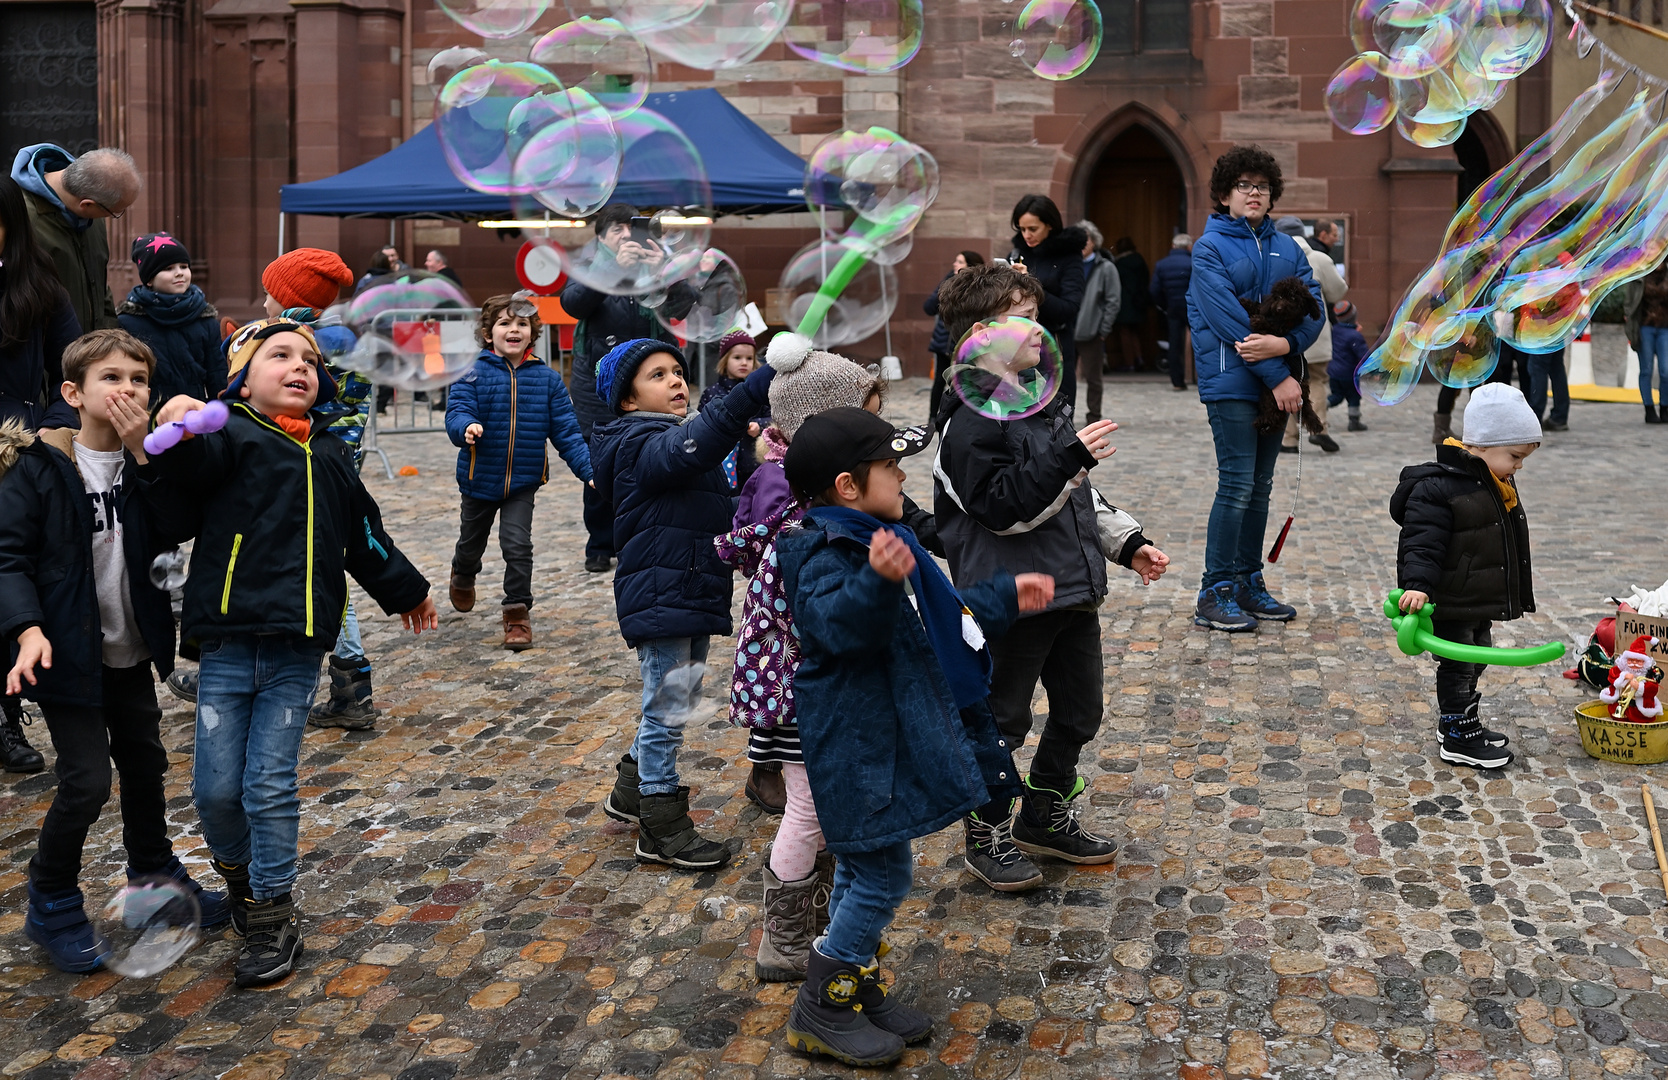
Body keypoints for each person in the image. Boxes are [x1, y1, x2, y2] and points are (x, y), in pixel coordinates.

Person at [150, 315, 437, 988]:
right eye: (279, 355)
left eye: (309, 359)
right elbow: (183, 470)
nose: (300, 366)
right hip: (226, 642)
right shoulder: (230, 439)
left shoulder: (333, 457)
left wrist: (407, 590)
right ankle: (241, 881)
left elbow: (364, 537)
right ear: (241, 381)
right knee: (216, 791)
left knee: (268, 785)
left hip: (297, 651)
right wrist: (184, 420)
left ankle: (273, 911)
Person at [775, 407, 1053, 1068]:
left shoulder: (880, 537)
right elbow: (837, 628)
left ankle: (858, 987)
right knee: (882, 873)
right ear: (848, 485)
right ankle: (823, 1004)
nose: (902, 476)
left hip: (886, 736)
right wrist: (876, 577)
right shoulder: (822, 547)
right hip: (858, 744)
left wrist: (1003, 597)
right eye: (890, 466)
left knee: (866, 865)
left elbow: (938, 620)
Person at [0, 329, 229, 973]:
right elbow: (8, 557)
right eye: (111, 377)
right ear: (73, 393)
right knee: (87, 781)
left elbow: (179, 523)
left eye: (137, 379)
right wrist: (26, 628)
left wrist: (146, 453)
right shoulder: (39, 470)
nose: (126, 388)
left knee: (146, 764)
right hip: (67, 654)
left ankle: (155, 879)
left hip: (130, 647)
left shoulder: (143, 465)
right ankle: (50, 897)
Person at [935, 263, 1169, 890]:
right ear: (982, 335)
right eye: (1025, 317)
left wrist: (1128, 544)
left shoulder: (1040, 402)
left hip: (1070, 589)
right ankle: (985, 831)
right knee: (1002, 720)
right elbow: (1002, 510)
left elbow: (1079, 496)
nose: (1041, 328)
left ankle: (1042, 813)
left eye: (1037, 315)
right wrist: (1069, 461)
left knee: (1079, 713)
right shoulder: (968, 420)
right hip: (1012, 598)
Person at [714, 331, 887, 973]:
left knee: (820, 806)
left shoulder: (797, 494)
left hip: (801, 686)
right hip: (796, 692)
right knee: (807, 810)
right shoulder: (798, 518)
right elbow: (815, 615)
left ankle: (817, 917)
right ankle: (782, 935)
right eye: (865, 418)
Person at [593, 338, 773, 870]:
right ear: (627, 400)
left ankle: (631, 791)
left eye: (677, 371)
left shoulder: (667, 435)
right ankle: (660, 824)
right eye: (658, 376)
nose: (675, 381)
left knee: (676, 696)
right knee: (666, 709)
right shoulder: (639, 441)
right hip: (661, 591)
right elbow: (691, 446)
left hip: (689, 585)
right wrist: (749, 389)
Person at [1186, 145, 1323, 633]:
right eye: (1243, 185)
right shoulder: (1208, 248)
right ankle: (1214, 589)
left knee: (1260, 488)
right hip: (1232, 383)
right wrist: (1281, 374)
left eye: (1261, 186)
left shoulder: (1289, 248)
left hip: (1276, 389)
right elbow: (1229, 323)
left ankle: (1246, 581)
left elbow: (1315, 311)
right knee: (1237, 485)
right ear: (1224, 194)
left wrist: (1286, 344)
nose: (1254, 193)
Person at [257, 248, 378, 729]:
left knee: (314, 568)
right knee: (323, 565)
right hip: (335, 469)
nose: (263, 300)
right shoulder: (341, 341)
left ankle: (348, 688)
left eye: (269, 291)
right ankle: (352, 686)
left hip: (299, 472)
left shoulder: (294, 343)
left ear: (287, 297)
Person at [1391, 382, 1541, 771]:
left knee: (1477, 659)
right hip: (1451, 598)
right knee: (1458, 664)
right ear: (1483, 446)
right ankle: (1457, 733)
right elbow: (1422, 543)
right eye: (1515, 456)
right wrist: (1418, 587)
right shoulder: (1439, 489)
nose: (1519, 466)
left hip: (1476, 597)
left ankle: (1457, 721)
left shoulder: (1493, 481)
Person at [445, 294, 592, 650]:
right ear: (488, 332)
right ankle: (464, 572)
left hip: (523, 482)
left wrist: (589, 470)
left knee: (518, 544)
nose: (514, 329)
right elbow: (457, 410)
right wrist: (465, 427)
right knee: (471, 542)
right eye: (504, 323)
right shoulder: (471, 371)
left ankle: (516, 612)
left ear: (532, 333)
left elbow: (568, 433)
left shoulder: (548, 380)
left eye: (522, 324)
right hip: (479, 479)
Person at [561, 204, 698, 573]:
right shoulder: (591, 267)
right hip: (599, 385)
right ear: (601, 237)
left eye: (633, 228)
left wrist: (665, 273)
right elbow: (573, 303)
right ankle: (600, 543)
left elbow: (684, 308)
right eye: (618, 230)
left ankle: (640, 537)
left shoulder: (655, 264)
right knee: (602, 461)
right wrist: (613, 268)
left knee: (652, 455)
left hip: (651, 382)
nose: (627, 236)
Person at [0, 174, 80, 772]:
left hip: (19, 457)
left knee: (15, 577)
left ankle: (8, 718)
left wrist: (49, 431)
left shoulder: (40, 287)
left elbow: (71, 368)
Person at [10, 145, 141, 333]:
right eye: (116, 212)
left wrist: (108, 335)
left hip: (92, 352)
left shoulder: (92, 217)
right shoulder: (18, 218)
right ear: (86, 205)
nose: (112, 216)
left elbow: (99, 286)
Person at [117, 233, 226, 406]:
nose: (179, 274)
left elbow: (217, 374)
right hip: (150, 411)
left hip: (196, 411)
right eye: (168, 269)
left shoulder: (205, 320)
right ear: (149, 279)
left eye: (183, 266)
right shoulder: (128, 322)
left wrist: (220, 416)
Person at [1006, 195, 1084, 417]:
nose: (1027, 235)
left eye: (1033, 228)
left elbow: (1069, 308)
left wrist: (1030, 283)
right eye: (1021, 229)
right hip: (1015, 344)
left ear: (1049, 225)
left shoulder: (1069, 255)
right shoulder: (1018, 252)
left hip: (1052, 346)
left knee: (1055, 415)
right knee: (1018, 415)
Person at [1274, 217, 1347, 453]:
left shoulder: (1273, 258)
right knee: (1315, 379)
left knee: (1284, 379)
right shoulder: (1319, 258)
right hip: (1314, 331)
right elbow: (1338, 291)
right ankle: (1320, 429)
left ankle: (1289, 438)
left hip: (1280, 334)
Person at [697, 330, 768, 491]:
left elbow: (772, 419)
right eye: (737, 357)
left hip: (752, 462)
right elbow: (701, 423)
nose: (744, 363)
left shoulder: (759, 393)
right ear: (724, 360)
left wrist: (758, 425)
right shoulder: (712, 393)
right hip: (721, 463)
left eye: (749, 358)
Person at [923, 250, 984, 423]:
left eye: (960, 262)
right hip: (944, 343)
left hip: (966, 343)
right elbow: (928, 307)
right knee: (939, 382)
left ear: (970, 266)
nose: (955, 264)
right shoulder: (948, 282)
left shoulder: (979, 287)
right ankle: (933, 418)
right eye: (955, 261)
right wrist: (947, 285)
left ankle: (960, 417)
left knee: (964, 381)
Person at [1074, 221, 1120, 425]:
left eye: (1086, 239)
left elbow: (1113, 300)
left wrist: (1103, 329)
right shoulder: (1069, 264)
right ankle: (1062, 417)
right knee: (1062, 378)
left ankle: (1093, 417)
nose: (1082, 244)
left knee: (1093, 378)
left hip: (1091, 330)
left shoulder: (1105, 267)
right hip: (1066, 329)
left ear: (1094, 242)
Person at [1623, 263, 1668, 423]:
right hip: (1645, 327)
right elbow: (1629, 303)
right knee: (1646, 370)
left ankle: (1665, 407)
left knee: (1666, 371)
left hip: (1665, 328)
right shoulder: (1640, 274)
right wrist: (1629, 323)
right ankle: (1649, 409)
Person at [1150, 234, 1194, 391]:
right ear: (1189, 247)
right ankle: (1199, 378)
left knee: (1174, 345)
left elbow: (1154, 290)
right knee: (1200, 342)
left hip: (1173, 308)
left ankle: (1177, 382)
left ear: (1173, 246)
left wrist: (1165, 305)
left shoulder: (1162, 264)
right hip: (1192, 308)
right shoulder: (1193, 263)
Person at [1109, 238, 1151, 372]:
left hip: (1125, 303)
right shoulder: (1140, 261)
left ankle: (1130, 363)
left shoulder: (1119, 264)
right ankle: (1139, 359)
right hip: (1138, 302)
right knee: (1134, 333)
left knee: (1125, 334)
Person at [1328, 301, 1370, 433]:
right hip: (1349, 374)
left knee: (1336, 396)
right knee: (1353, 397)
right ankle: (1354, 422)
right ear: (1354, 317)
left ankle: (1319, 408)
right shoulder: (1355, 336)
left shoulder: (1334, 330)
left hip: (1333, 372)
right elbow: (1363, 355)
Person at [1523, 343, 1569, 433]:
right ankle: (1559, 416)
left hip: (1541, 333)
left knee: (1537, 367)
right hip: (1556, 331)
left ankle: (1536, 416)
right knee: (1556, 367)